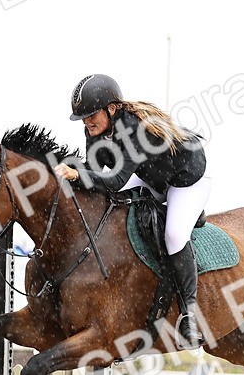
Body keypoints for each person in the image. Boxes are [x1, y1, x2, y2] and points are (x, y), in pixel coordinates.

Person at [53, 74, 210, 349]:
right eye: (83, 118)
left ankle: (189, 314)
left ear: (111, 109)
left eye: (91, 115)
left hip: (185, 180)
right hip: (151, 177)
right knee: (113, 205)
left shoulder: (133, 129)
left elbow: (114, 180)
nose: (87, 122)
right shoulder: (96, 129)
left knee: (174, 235)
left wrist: (76, 175)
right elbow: (94, 171)